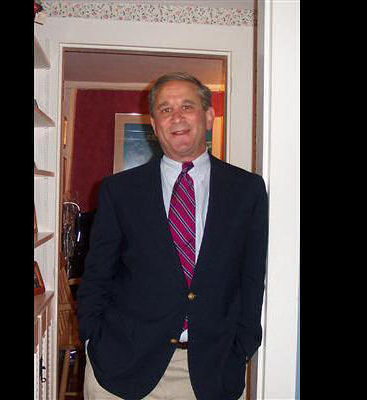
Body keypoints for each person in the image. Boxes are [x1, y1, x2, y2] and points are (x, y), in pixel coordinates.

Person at [77, 72, 269, 400]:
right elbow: (97, 276)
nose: (176, 117)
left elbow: (252, 277)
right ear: (154, 124)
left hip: (212, 370)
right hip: (121, 366)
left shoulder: (247, 190)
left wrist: (244, 345)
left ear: (208, 116)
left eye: (187, 106)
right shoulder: (119, 191)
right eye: (165, 109)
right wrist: (92, 338)